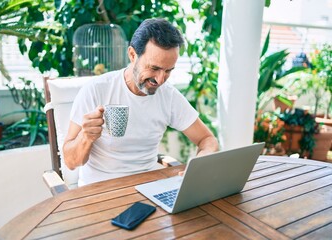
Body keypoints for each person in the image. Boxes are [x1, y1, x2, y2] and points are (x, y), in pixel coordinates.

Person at [63, 18, 219, 186]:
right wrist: (85, 137)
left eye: (168, 71)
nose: (160, 80)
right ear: (132, 55)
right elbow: (71, 162)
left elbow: (207, 140)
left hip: (147, 187)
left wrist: (197, 167)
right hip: (99, 190)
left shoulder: (168, 96)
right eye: (154, 68)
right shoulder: (96, 90)